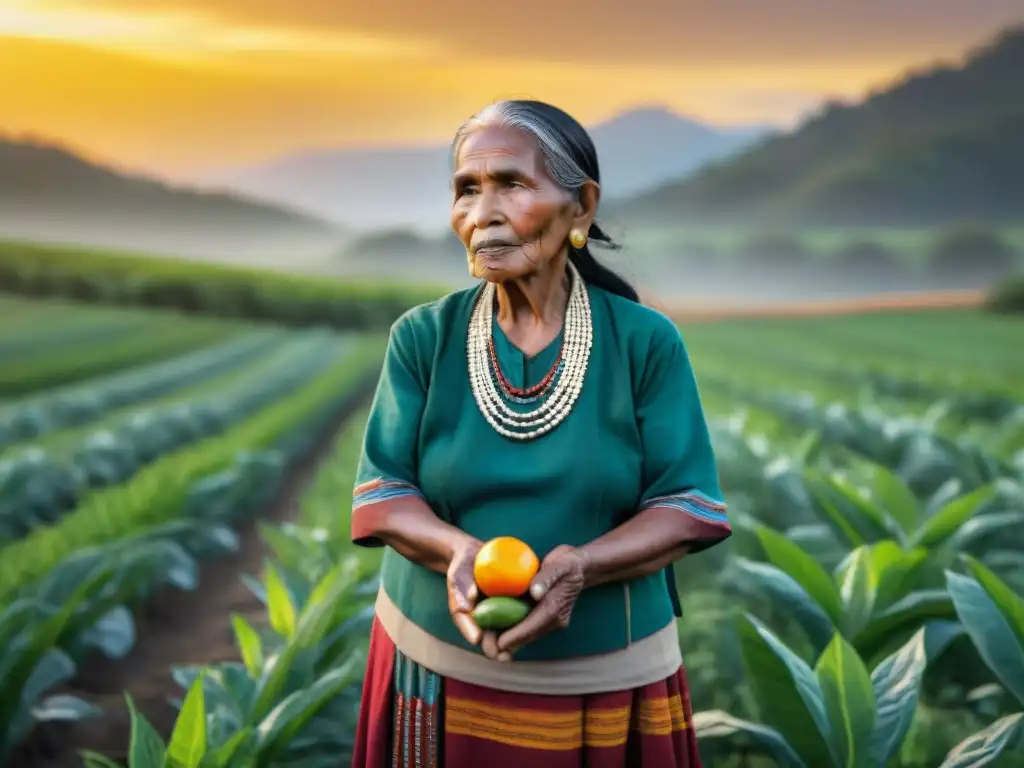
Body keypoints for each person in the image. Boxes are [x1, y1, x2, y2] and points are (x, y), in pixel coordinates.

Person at [350, 99, 731, 768]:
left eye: (511, 184)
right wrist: (455, 551)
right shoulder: (422, 337)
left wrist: (579, 566)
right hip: (434, 669)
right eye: (467, 188)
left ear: (580, 207)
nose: (482, 213)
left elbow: (687, 506)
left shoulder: (644, 343)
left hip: (606, 675)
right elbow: (383, 492)